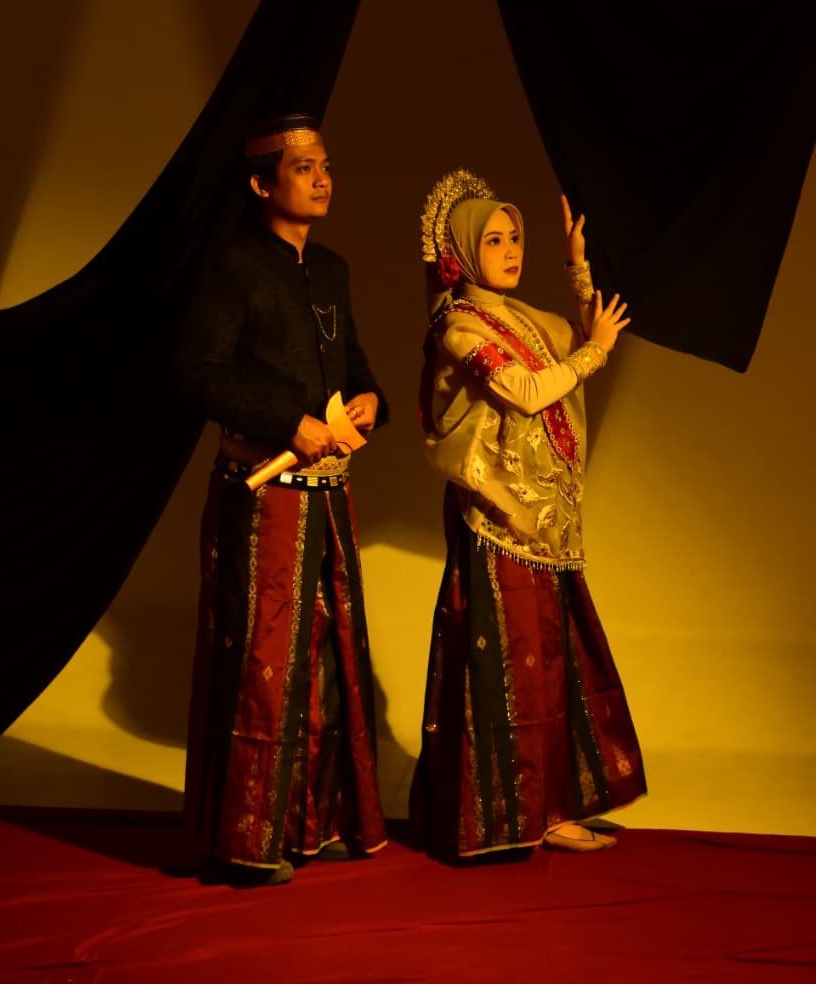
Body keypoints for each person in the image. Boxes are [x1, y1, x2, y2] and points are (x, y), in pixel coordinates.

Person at [410, 167, 646, 861]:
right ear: (462, 252)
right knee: (510, 670)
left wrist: (578, 269)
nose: (512, 251)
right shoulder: (458, 326)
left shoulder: (526, 320)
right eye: (494, 240)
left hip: (545, 523)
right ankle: (504, 815)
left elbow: (582, 336)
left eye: (515, 238)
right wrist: (594, 353)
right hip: (496, 519)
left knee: (551, 665)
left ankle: (549, 808)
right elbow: (523, 389)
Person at [178, 113, 387, 886]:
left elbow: (354, 361)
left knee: (327, 660)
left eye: (325, 165)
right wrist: (283, 421)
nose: (322, 178)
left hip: (328, 497)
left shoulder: (330, 269)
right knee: (261, 661)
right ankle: (244, 842)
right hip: (262, 499)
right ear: (262, 184)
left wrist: (369, 400)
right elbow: (198, 373)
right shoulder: (233, 265)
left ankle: (310, 824)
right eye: (304, 168)